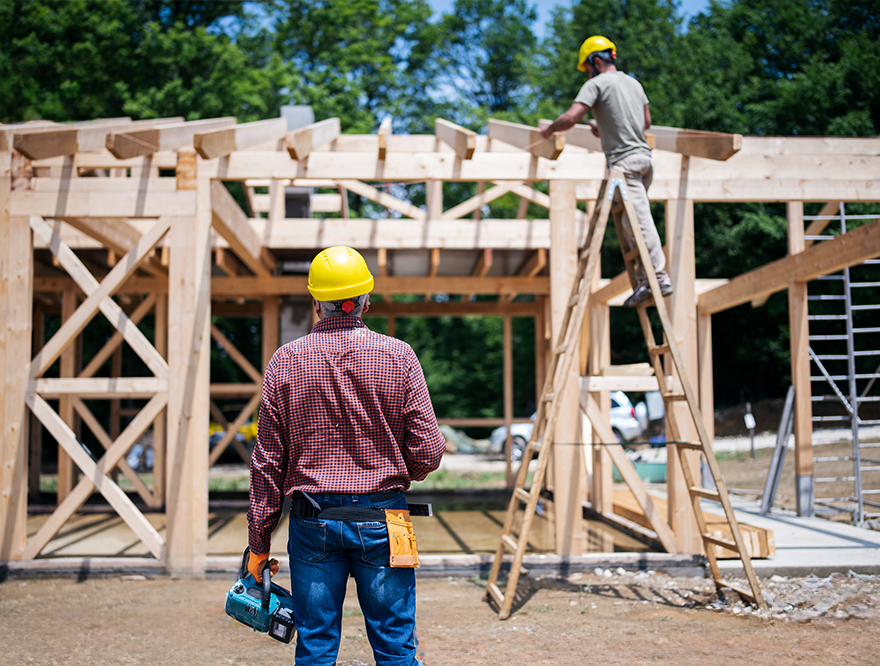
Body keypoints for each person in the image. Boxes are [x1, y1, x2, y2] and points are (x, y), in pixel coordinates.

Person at [246, 245, 446, 665]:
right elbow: (428, 452)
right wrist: (391, 468)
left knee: (316, 646)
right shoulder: (400, 355)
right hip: (387, 519)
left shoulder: (285, 362)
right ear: (365, 299)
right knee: (396, 645)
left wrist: (258, 545)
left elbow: (267, 465)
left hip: (312, 520)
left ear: (317, 303)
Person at [540, 35, 673, 307]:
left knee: (640, 221)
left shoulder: (596, 84)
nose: (587, 74)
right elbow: (645, 121)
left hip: (624, 164)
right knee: (629, 223)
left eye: (587, 69)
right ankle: (645, 280)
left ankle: (658, 278)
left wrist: (549, 129)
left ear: (596, 62)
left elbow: (571, 117)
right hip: (644, 161)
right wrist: (607, 128)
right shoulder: (633, 83)